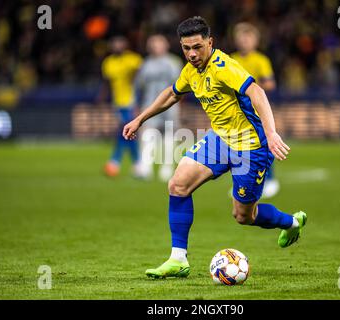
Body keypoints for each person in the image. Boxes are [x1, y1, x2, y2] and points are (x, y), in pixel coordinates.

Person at [123, 17, 307, 279]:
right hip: (220, 140)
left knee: (244, 216)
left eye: (197, 47)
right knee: (177, 185)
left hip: (250, 147)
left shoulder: (223, 67)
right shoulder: (191, 69)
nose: (192, 54)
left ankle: (292, 222)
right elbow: (172, 93)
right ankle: (178, 259)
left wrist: (271, 132)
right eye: (186, 48)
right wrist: (140, 119)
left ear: (210, 42)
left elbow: (257, 92)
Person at [231, 22, 279, 198]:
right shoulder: (231, 59)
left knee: (263, 145)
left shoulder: (260, 60)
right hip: (236, 112)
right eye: (241, 38)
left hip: (256, 110)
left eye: (248, 38)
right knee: (237, 147)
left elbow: (270, 84)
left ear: (255, 41)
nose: (244, 42)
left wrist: (250, 88)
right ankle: (240, 184)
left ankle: (271, 180)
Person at [134, 35, 182, 181]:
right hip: (150, 104)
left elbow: (181, 86)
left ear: (166, 45)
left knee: (169, 136)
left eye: (159, 43)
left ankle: (167, 168)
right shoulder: (145, 64)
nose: (156, 46)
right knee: (148, 135)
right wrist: (137, 105)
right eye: (153, 44)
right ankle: (145, 167)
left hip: (170, 105)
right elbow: (139, 87)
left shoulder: (174, 62)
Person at [97, 36, 143, 177]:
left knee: (125, 132)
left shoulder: (134, 60)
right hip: (118, 103)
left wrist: (139, 102)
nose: (117, 46)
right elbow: (107, 83)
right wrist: (102, 98)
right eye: (114, 44)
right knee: (127, 134)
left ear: (126, 45)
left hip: (132, 102)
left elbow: (141, 81)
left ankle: (115, 161)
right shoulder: (108, 63)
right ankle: (137, 163)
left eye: (120, 43)